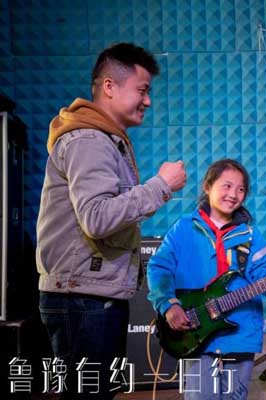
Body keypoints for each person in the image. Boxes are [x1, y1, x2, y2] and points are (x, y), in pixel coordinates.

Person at [36, 42, 187, 399]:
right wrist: (161, 186)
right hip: (82, 299)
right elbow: (97, 218)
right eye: (142, 90)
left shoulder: (101, 139)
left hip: (89, 295)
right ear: (109, 87)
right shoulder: (89, 140)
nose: (148, 101)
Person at [146, 158, 266, 400]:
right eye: (227, 186)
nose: (234, 195)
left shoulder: (250, 236)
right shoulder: (183, 228)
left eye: (241, 189)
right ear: (207, 186)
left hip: (241, 336)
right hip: (196, 333)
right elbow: (159, 268)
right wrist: (169, 304)